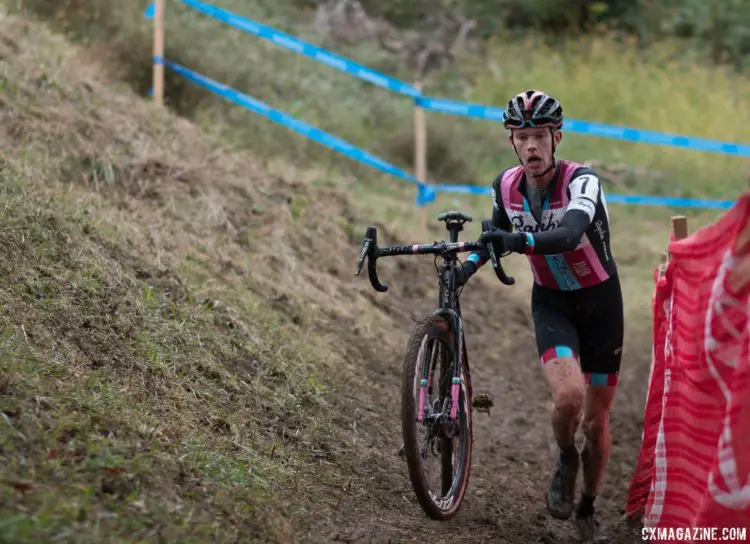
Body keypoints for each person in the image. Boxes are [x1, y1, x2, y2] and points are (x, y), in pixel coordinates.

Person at [456, 89, 623, 543]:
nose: (532, 147)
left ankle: (588, 506)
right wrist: (466, 270)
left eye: (540, 137)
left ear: (557, 137)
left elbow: (569, 234)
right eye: (522, 137)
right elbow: (496, 237)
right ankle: (566, 457)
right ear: (512, 140)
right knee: (568, 399)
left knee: (596, 420)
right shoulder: (504, 186)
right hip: (553, 302)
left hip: (601, 303)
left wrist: (520, 243)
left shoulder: (582, 181)